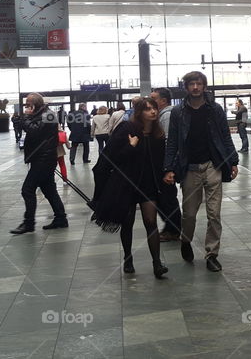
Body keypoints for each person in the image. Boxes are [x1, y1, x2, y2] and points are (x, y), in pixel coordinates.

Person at [164, 71, 238, 272]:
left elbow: (225, 136)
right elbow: (172, 143)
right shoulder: (178, 112)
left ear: (204, 86)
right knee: (189, 214)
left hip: (212, 165)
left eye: (199, 84)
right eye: (191, 84)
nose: (195, 87)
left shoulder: (215, 109)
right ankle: (185, 240)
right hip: (189, 168)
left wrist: (233, 161)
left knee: (214, 214)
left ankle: (211, 254)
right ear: (186, 87)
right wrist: (169, 168)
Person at [91, 97, 169, 279]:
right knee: (128, 223)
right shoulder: (127, 129)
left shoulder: (158, 133)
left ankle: (157, 263)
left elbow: (159, 160)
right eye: (147, 109)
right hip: (126, 183)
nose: (153, 112)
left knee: (151, 222)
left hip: (148, 184)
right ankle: (128, 258)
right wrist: (131, 147)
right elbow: (112, 157)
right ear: (139, 112)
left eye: (154, 108)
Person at [11, 93, 67, 234]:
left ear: (33, 104)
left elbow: (35, 131)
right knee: (49, 190)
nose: (26, 107)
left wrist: (26, 117)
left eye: (28, 104)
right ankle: (61, 218)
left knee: (27, 190)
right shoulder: (42, 114)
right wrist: (22, 119)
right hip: (42, 158)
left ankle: (29, 223)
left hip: (44, 159)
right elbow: (29, 128)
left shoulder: (48, 115)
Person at [150, 87, 181, 243]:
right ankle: (171, 228)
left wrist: (168, 168)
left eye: (154, 98)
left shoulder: (167, 115)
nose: (151, 101)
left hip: (165, 165)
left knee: (167, 198)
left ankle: (173, 229)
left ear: (163, 100)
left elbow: (169, 142)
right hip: (163, 164)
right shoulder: (162, 115)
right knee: (164, 197)